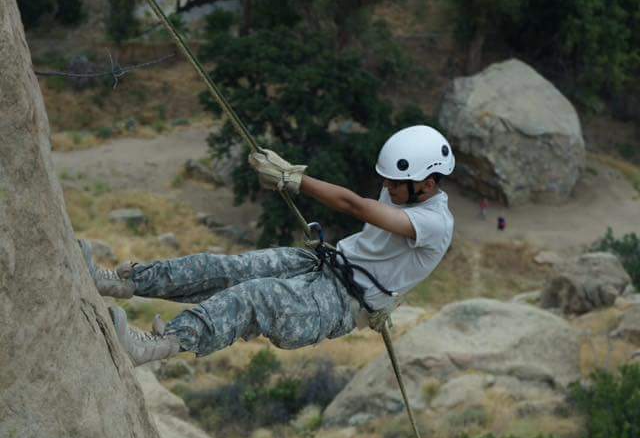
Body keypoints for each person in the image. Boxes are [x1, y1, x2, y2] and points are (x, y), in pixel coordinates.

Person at [81, 125, 455, 367]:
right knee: (226, 269)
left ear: (429, 182)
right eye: (386, 180)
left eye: (396, 183)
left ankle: (157, 346)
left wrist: (294, 177)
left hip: (341, 303)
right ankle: (122, 282)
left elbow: (354, 205)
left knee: (254, 298)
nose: (388, 187)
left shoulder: (434, 224)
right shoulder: (404, 189)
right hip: (321, 265)